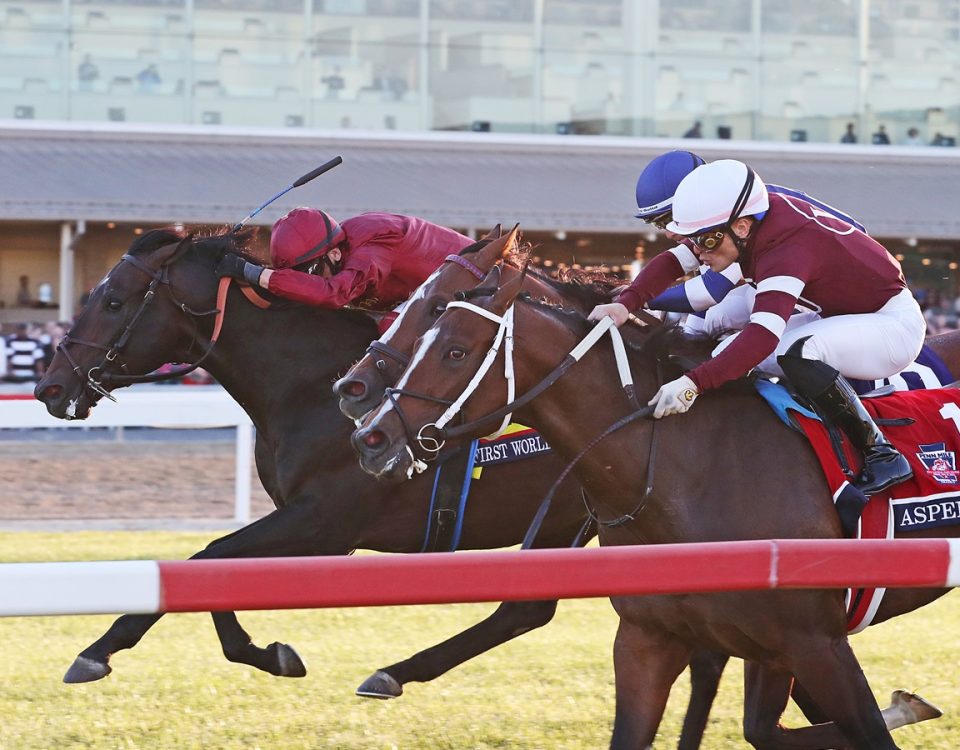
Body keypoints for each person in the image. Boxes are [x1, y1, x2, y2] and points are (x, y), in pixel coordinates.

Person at [591, 158, 925, 511]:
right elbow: (674, 261)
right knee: (725, 351)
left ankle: (882, 453)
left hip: (889, 322)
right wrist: (626, 303)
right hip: (841, 311)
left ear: (743, 226)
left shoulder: (786, 248)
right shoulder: (736, 223)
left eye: (705, 241)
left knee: (797, 352)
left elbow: (763, 336)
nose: (699, 251)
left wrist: (693, 384)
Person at [214, 209, 474, 327]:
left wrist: (253, 273)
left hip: (479, 284)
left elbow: (332, 294)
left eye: (312, 272)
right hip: (433, 295)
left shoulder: (374, 245)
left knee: (390, 329)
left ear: (335, 253)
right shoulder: (339, 245)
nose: (309, 281)